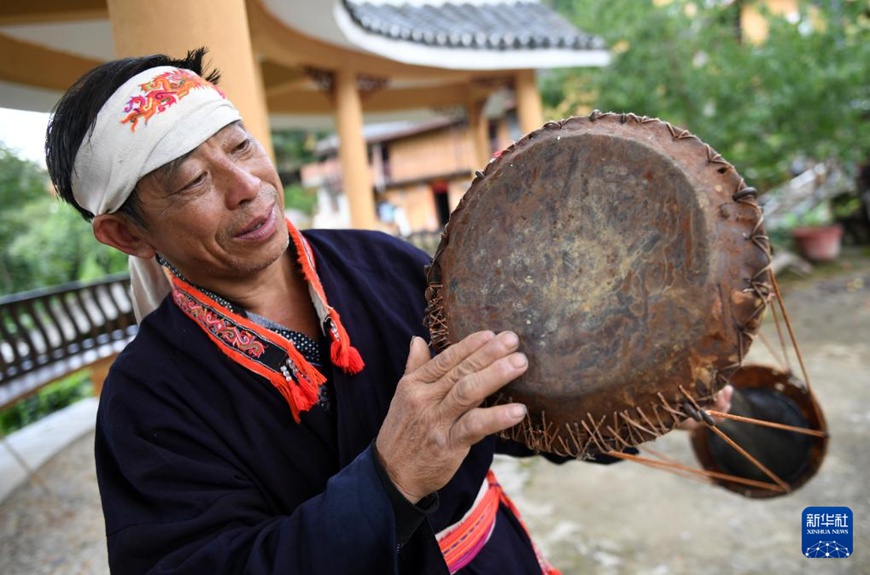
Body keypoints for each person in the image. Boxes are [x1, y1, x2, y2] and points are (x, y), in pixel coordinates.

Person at [46, 48, 731, 575]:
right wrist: (388, 478)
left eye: (240, 146)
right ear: (127, 234)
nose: (246, 187)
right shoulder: (146, 401)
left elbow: (520, 404)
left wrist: (643, 393)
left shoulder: (382, 263)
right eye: (193, 180)